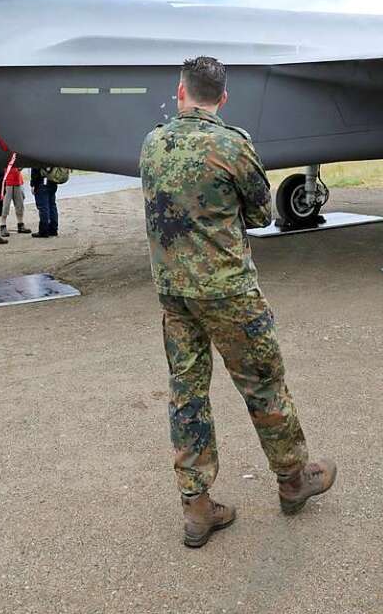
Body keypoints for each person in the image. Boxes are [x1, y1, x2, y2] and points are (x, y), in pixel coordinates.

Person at [140, 56, 336, 549]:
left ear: (179, 91)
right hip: (228, 291)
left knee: (187, 393)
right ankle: (293, 479)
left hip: (174, 292)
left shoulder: (153, 142)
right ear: (222, 98)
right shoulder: (233, 144)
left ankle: (197, 506)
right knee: (263, 384)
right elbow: (259, 213)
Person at [30, 167, 62, 237]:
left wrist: (32, 184)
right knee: (52, 206)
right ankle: (53, 229)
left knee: (43, 208)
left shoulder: (39, 156)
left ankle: (44, 231)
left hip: (42, 183)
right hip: (52, 181)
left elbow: (35, 169)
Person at [0, 164, 30, 237]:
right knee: (5, 206)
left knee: (20, 204)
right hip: (6, 182)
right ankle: (3, 226)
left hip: (17, 180)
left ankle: (20, 224)